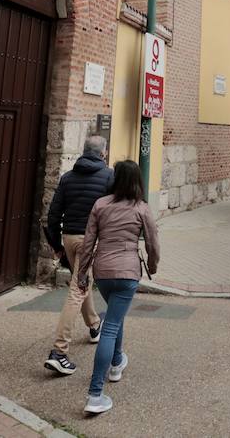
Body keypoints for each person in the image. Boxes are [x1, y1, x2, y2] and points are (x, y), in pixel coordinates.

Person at [78, 160, 160, 416]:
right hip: (127, 272)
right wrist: (153, 266)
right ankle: (95, 394)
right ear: (137, 181)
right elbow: (153, 243)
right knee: (111, 326)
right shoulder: (141, 208)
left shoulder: (100, 205)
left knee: (114, 316)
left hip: (102, 271)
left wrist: (82, 274)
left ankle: (116, 363)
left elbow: (88, 242)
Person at [42, 135, 113, 376]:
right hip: (90, 241)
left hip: (69, 239)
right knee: (77, 290)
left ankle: (94, 325)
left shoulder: (67, 178)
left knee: (81, 284)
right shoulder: (108, 176)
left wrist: (56, 244)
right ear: (103, 153)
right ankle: (59, 352)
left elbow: (52, 215)